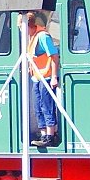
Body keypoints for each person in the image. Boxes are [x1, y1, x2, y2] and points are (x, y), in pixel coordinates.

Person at [27, 12, 59, 147]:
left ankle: (50, 136)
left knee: (47, 106)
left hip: (46, 77)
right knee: (38, 106)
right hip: (37, 78)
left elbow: (54, 55)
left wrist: (53, 77)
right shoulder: (32, 37)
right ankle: (43, 134)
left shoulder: (42, 36)